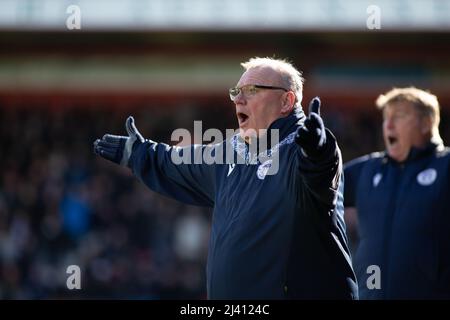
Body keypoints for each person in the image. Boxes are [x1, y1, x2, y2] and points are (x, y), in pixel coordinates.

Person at [94, 57, 358, 299]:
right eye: (236, 92)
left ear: (286, 102)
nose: (238, 100)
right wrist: (139, 153)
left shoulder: (303, 149)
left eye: (251, 91)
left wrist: (317, 149)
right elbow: (177, 162)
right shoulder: (231, 152)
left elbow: (320, 173)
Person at [344, 87, 450, 299]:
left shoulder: (445, 166)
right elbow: (314, 184)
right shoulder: (368, 169)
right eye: (386, 118)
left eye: (399, 116)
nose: (388, 125)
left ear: (426, 123)